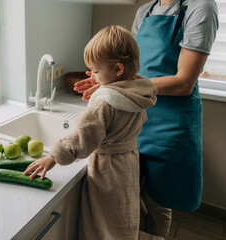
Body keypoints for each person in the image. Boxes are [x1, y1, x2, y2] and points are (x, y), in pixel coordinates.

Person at [74, 0, 219, 238]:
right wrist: (107, 81)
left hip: (170, 125)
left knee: (158, 202)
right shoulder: (146, 11)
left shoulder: (201, 6)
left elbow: (184, 82)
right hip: (134, 119)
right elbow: (130, 70)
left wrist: (119, 87)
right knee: (128, 195)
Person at [24, 25, 157, 239]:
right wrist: (103, 79)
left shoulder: (104, 103)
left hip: (108, 170)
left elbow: (81, 139)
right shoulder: (137, 91)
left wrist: (53, 156)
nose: (92, 76)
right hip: (128, 162)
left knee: (102, 223)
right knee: (122, 217)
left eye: (95, 70)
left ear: (118, 70)